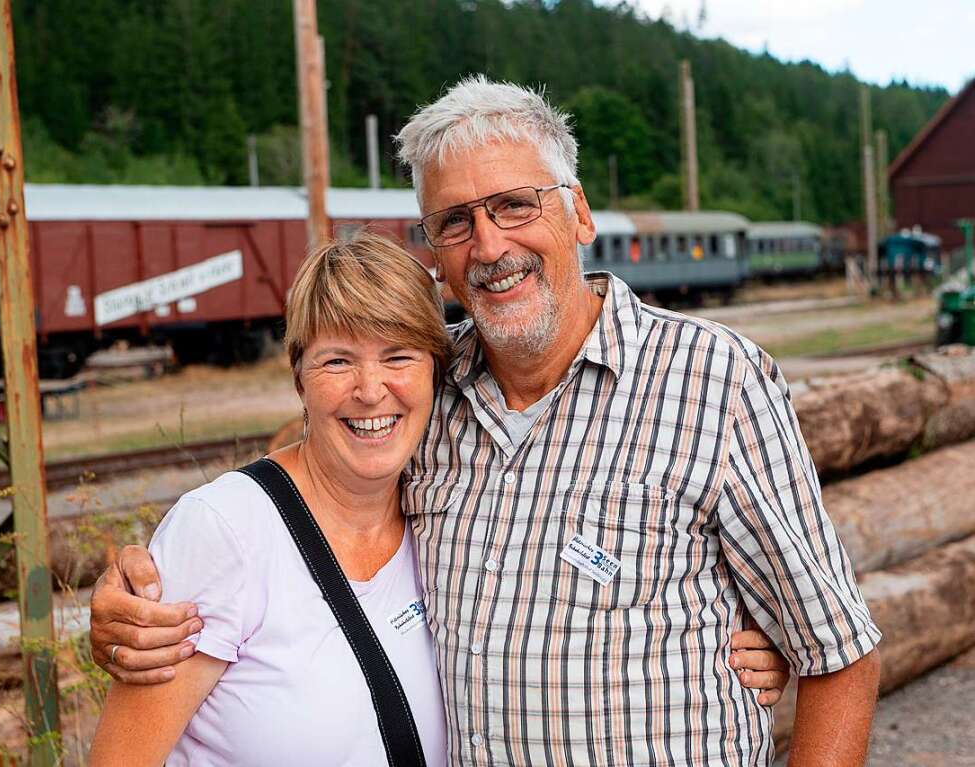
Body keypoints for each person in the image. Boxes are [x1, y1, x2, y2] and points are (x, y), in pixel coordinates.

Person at [89, 75, 876, 766]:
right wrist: (143, 586)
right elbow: (306, 473)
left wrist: (771, 645)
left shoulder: (715, 379)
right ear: (432, 249)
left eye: (512, 205)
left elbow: (838, 653)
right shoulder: (432, 385)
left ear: (578, 212)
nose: (489, 244)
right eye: (454, 222)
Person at [89, 233, 453, 765]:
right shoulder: (226, 530)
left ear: (435, 372)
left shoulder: (446, 513)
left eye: (398, 356)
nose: (371, 389)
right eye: (337, 361)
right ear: (299, 379)